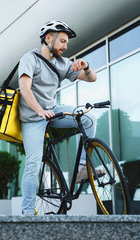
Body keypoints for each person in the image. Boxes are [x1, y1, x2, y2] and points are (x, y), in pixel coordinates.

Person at [18, 20, 98, 215]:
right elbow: (24, 88)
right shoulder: (30, 59)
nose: (65, 46)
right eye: (62, 41)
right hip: (33, 118)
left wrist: (86, 66)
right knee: (34, 163)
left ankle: (81, 170)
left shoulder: (62, 63)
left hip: (52, 111)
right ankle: (28, 213)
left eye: (66, 43)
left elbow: (91, 78)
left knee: (88, 118)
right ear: (48, 38)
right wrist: (39, 111)